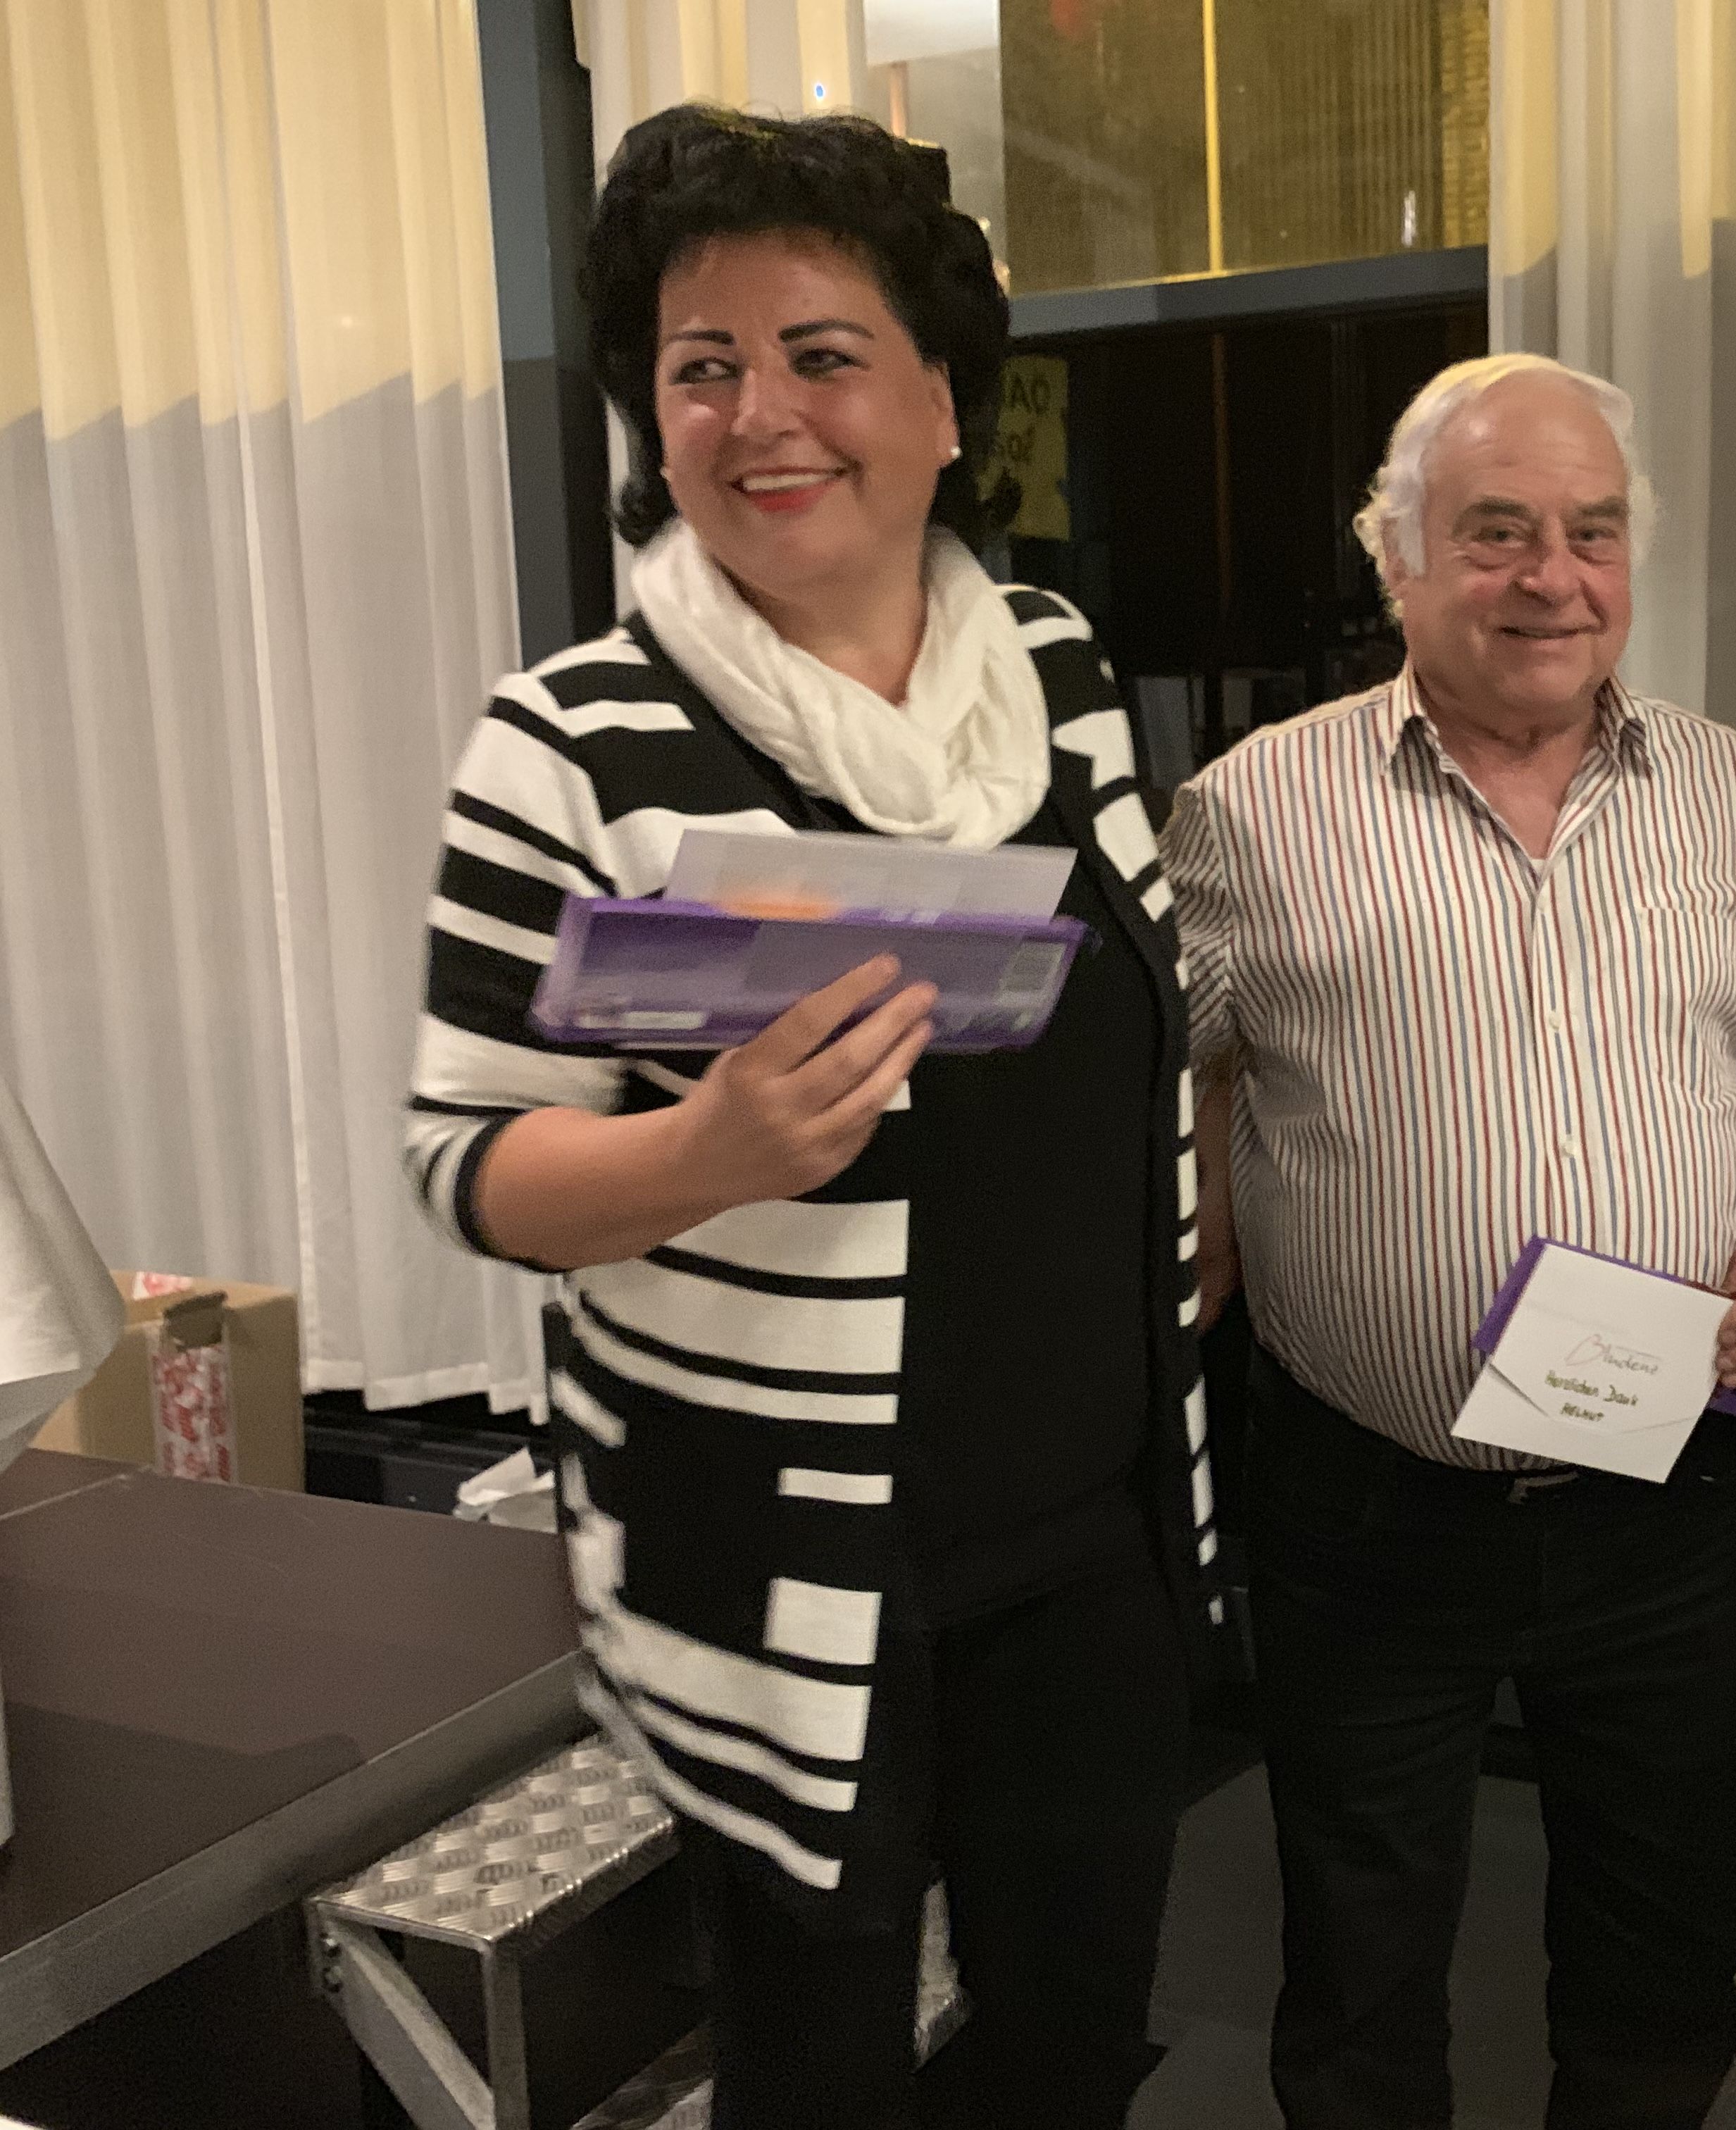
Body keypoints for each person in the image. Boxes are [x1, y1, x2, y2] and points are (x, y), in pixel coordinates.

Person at [403, 106, 1213, 2130]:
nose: (761, 413)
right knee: (816, 2077)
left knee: (1071, 2054)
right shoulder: (571, 742)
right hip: (777, 1568)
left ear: (942, 403)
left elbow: (1130, 1033)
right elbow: (469, 1163)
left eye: (822, 354)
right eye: (703, 367)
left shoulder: (1057, 673)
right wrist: (706, 1157)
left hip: (1086, 1547)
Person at [1163, 352, 1736, 2130]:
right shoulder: (1249, 810)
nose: (1554, 577)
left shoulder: (1729, 791)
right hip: (1367, 1505)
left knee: (1666, 1954)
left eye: (1592, 531)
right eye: (1495, 532)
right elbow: (1179, 1076)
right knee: (1361, 1970)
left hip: (1660, 1494)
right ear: (1396, 556)